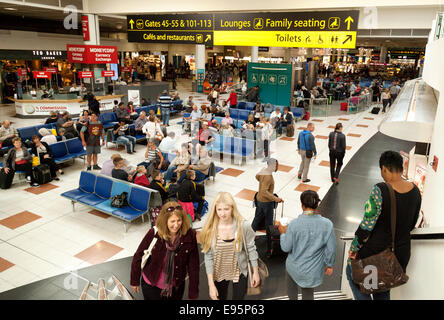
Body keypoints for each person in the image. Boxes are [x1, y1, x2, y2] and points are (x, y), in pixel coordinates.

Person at [347, 151, 422, 300]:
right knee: (383, 287)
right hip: (399, 255)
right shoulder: (415, 191)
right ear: (401, 168)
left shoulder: (380, 190)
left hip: (377, 254)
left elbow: (367, 225)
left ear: (384, 169)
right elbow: (412, 223)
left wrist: (354, 247)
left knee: (353, 275)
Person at [130, 202, 199, 300]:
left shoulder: (190, 235)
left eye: (179, 220)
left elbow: (194, 266)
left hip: (175, 288)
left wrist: (193, 293)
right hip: (151, 286)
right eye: (172, 221)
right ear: (165, 221)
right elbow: (138, 255)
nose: (176, 225)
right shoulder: (154, 233)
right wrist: (134, 280)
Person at [200, 192, 260, 300]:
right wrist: (211, 285)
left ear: (232, 208)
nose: (223, 213)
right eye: (219, 209)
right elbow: (208, 257)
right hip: (219, 272)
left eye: (226, 209)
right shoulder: (210, 229)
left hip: (239, 270)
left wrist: (255, 272)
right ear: (215, 210)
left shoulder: (243, 226)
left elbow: (251, 249)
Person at [280, 190, 336, 300]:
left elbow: (286, 247)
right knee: (308, 295)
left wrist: (283, 233)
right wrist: (329, 264)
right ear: (317, 205)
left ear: (302, 205)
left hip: (293, 267)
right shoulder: (327, 224)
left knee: (291, 292)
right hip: (312, 270)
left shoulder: (293, 224)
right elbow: (331, 249)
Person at [251, 158, 283, 256]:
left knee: (257, 219)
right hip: (266, 203)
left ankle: (250, 236)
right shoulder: (268, 177)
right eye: (276, 165)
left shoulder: (264, 171)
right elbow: (265, 192)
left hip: (259, 199)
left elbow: (256, 177)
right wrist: (276, 199)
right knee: (269, 224)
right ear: (272, 166)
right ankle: (270, 246)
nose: (277, 167)